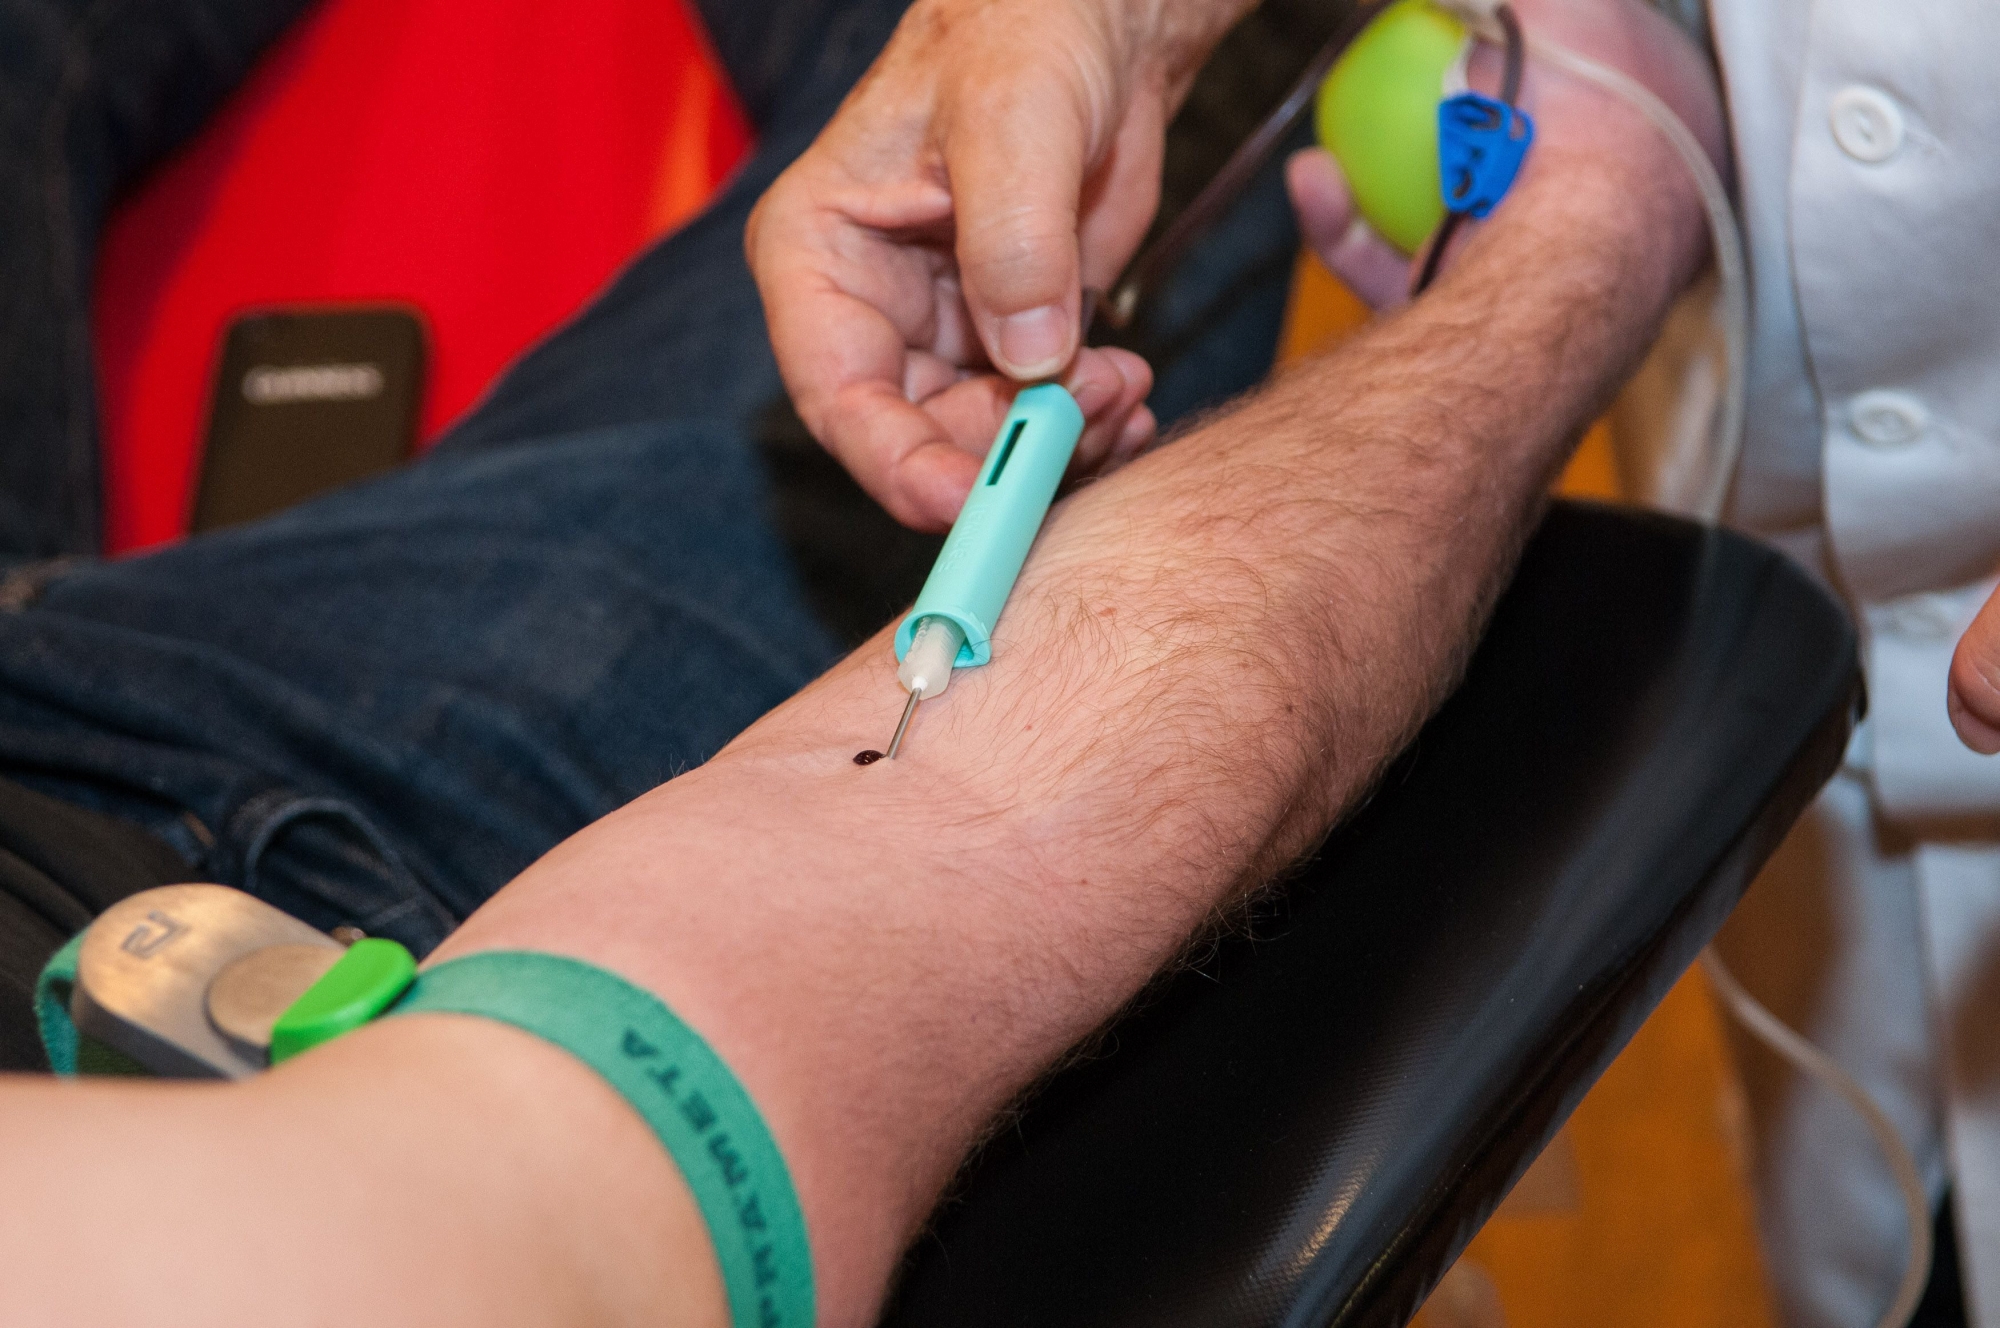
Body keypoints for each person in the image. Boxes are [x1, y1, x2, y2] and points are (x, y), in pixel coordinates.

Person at [0, 0, 1724, 1319]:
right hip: (191, 824)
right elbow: (962, 810)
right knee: (1133, 155)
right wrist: (1585, 235)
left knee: (1016, 149)